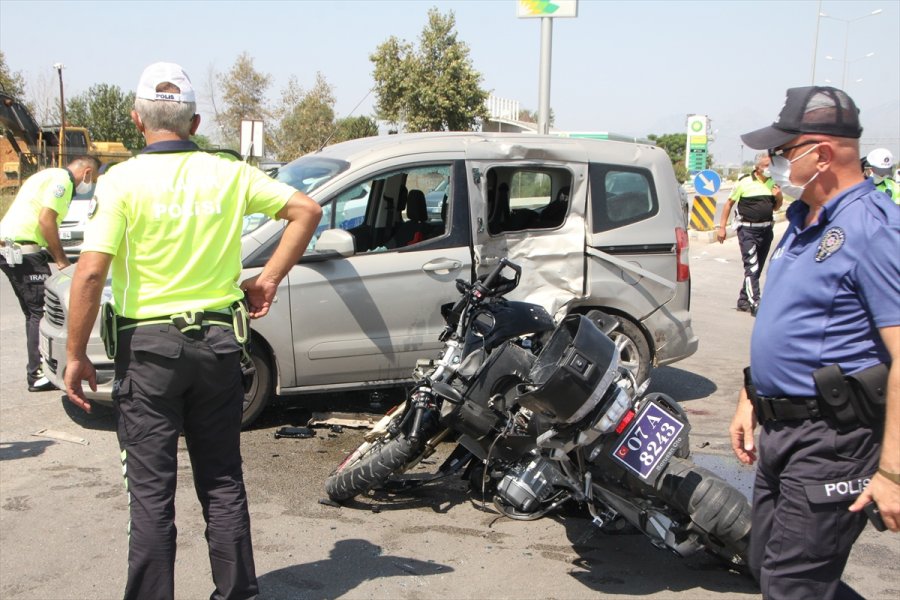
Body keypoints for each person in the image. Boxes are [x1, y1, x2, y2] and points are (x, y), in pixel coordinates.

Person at [64, 62, 322, 600]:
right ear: (196, 122)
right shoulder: (228, 173)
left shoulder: (123, 181)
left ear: (137, 120)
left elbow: (89, 271)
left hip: (150, 352)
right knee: (223, 481)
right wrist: (269, 278)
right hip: (219, 348)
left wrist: (74, 354)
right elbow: (306, 209)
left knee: (151, 495)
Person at [728, 86, 899, 599]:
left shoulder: (874, 230)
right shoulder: (802, 222)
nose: (774, 161)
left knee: (792, 584)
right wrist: (749, 397)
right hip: (783, 433)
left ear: (820, 155)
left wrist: (892, 470)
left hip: (833, 439)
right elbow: (787, 324)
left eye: (783, 151)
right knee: (767, 564)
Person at [0, 155, 99, 391]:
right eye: (92, 179)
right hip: (23, 250)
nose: (91, 184)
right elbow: (46, 220)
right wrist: (62, 260)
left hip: (12, 248)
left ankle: (37, 369)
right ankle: (38, 373)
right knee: (44, 312)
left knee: (33, 313)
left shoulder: (46, 175)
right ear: (86, 173)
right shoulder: (63, 179)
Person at [717, 152, 783, 315]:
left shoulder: (772, 183)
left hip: (766, 230)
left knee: (757, 268)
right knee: (751, 267)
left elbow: (776, 207)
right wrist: (722, 227)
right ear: (757, 166)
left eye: (771, 166)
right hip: (747, 230)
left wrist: (779, 196)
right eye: (767, 166)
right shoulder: (744, 182)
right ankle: (755, 303)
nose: (769, 169)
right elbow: (728, 204)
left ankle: (743, 300)